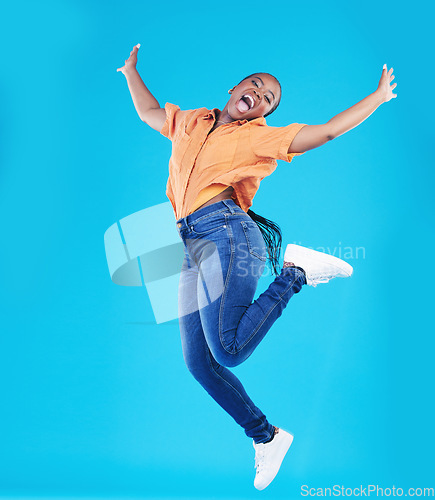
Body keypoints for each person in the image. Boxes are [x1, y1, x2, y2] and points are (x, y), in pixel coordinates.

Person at [117, 44, 397, 490]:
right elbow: (150, 112)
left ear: (262, 114)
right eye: (257, 86)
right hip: (191, 245)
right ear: (236, 88)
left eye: (269, 98)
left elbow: (324, 133)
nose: (260, 95)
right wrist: (131, 72)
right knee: (200, 363)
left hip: (227, 233)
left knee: (228, 350)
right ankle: (266, 436)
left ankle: (296, 273)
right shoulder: (191, 121)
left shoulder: (256, 137)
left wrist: (377, 98)